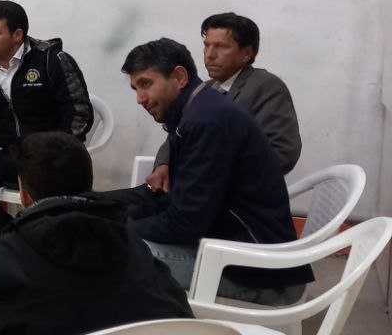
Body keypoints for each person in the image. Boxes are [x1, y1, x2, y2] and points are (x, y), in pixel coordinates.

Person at [98, 38, 312, 304]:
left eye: (146, 84)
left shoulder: (208, 123)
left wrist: (115, 229)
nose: (140, 99)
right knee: (109, 234)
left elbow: (183, 222)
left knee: (109, 250)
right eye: (135, 89)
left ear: (179, 77)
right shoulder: (197, 111)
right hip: (230, 249)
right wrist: (102, 210)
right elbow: (171, 201)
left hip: (258, 272)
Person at [0, 132, 193, 335]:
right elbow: (180, 312)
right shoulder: (134, 245)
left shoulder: (8, 256)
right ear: (89, 183)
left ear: (24, 195)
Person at [0, 0, 93, 237]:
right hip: (13, 154)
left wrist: (57, 148)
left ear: (17, 35)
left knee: (51, 198)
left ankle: (54, 244)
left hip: (53, 154)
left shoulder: (52, 60)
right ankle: (15, 238)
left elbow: (80, 113)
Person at [146, 12, 303, 194]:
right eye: (207, 45)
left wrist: (211, 177)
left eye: (220, 47)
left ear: (246, 53)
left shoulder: (265, 86)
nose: (209, 55)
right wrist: (163, 164)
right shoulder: (203, 89)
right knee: (124, 205)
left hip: (230, 198)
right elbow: (176, 135)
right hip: (187, 191)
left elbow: (283, 152)